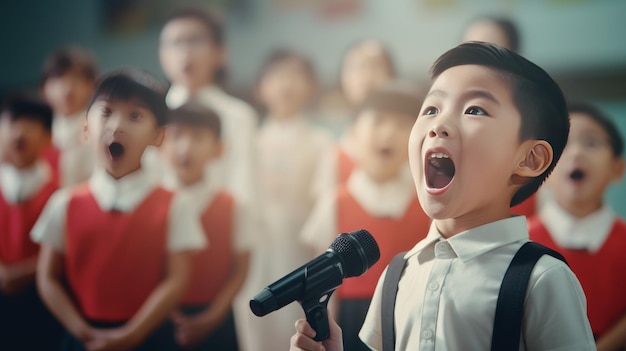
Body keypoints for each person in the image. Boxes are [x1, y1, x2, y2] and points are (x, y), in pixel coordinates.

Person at [290, 42, 595, 351]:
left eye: (475, 110)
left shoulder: (542, 280)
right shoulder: (397, 275)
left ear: (529, 159)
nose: (438, 125)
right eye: (431, 109)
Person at [31, 68, 206, 351]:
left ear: (158, 136)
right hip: (81, 339)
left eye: (135, 116)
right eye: (106, 112)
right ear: (85, 130)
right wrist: (82, 331)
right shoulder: (64, 203)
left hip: (150, 338)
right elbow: (47, 277)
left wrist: (132, 334)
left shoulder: (176, 204)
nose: (117, 125)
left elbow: (178, 278)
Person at [301, 82, 430, 351]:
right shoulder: (335, 202)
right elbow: (319, 283)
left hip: (410, 313)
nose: (388, 133)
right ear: (354, 134)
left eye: (400, 124)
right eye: (379, 121)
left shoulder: (427, 203)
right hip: (350, 320)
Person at [238, 49, 334, 351]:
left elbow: (326, 209)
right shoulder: (247, 141)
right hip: (254, 258)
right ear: (260, 88)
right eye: (277, 75)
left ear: (311, 87)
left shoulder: (322, 142)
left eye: (296, 75)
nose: (286, 84)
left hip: (300, 254)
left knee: (297, 331)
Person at [529, 102, 626, 351]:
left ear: (617, 169)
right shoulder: (518, 242)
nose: (576, 153)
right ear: (543, 171)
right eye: (564, 144)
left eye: (591, 143)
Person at [160, 103, 252, 351]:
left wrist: (211, 317)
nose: (185, 147)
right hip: (158, 318)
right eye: (177, 136)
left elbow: (240, 269)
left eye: (198, 138)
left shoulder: (234, 206)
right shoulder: (151, 204)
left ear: (219, 150)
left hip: (217, 320)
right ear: (160, 144)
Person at [0, 94, 63, 350]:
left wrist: (22, 273)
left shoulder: (60, 193)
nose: (19, 132)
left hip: (42, 300)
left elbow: (64, 251)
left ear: (47, 138)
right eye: (12, 123)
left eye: (30, 124)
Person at [312, 39, 397, 199]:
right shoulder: (334, 155)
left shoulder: (410, 143)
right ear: (342, 79)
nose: (367, 76)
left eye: (375, 66)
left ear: (391, 76)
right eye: (357, 67)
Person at [40, 46, 98, 187]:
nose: (67, 89)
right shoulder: (39, 134)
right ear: (44, 89)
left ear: (92, 86)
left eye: (76, 79)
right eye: (58, 79)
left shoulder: (100, 129)